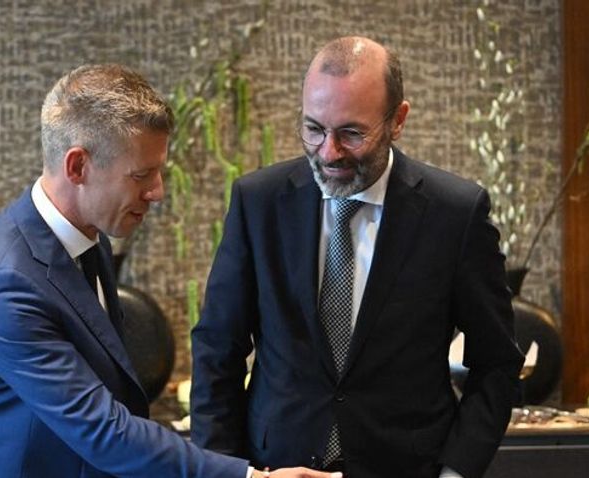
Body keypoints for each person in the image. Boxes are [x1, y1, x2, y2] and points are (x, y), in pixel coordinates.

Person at [0, 64, 336, 478]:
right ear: (77, 167)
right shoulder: (4, 286)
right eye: (141, 175)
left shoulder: (91, 242)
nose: (158, 191)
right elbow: (102, 429)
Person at [190, 37, 524, 478]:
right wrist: (223, 470)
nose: (329, 153)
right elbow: (218, 350)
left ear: (398, 120)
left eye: (351, 133)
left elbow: (496, 361)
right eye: (313, 129)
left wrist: (455, 473)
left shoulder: (455, 214)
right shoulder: (259, 202)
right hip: (277, 467)